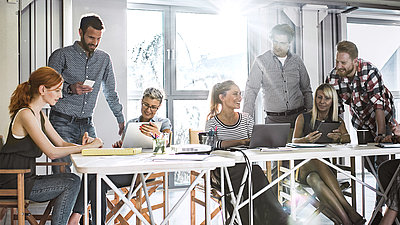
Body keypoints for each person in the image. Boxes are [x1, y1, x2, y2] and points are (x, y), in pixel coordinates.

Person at [0, 67, 103, 225]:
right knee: (72, 182)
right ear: (42, 89)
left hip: (27, 179)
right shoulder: (25, 114)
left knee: (77, 180)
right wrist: (87, 148)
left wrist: (83, 145)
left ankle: (69, 221)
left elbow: (60, 143)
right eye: (57, 91)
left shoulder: (39, 114)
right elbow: (52, 153)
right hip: (16, 182)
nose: (61, 95)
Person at [68, 87, 171, 225]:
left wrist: (158, 135)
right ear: (141, 102)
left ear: (159, 107)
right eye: (146, 105)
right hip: (127, 169)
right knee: (92, 175)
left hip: (145, 173)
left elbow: (166, 146)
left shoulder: (163, 123)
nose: (148, 110)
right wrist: (120, 147)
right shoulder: (131, 124)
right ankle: (85, 219)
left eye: (153, 107)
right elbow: (125, 152)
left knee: (98, 180)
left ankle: (80, 218)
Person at [48, 14, 125, 173]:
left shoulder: (104, 59)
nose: (95, 43)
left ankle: (88, 199)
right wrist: (70, 88)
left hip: (86, 123)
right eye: (91, 37)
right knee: (63, 174)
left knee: (96, 171)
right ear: (80, 32)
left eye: (98, 39)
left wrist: (120, 120)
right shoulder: (61, 55)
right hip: (61, 122)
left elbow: (110, 92)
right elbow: (47, 88)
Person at [206, 80, 290, 225]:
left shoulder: (245, 119)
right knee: (255, 174)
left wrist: (266, 140)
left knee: (252, 178)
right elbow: (211, 145)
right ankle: (280, 219)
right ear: (222, 97)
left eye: (240, 94)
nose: (240, 98)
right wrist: (241, 141)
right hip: (224, 171)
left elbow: (255, 139)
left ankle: (246, 220)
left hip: (246, 167)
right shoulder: (212, 122)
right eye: (235, 94)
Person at [292, 83, 365, 225]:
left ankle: (343, 220)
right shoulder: (303, 118)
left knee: (314, 180)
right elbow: (293, 140)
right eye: (319, 97)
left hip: (325, 171)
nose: (322, 102)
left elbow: (347, 138)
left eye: (327, 98)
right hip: (302, 167)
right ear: (315, 99)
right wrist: (305, 140)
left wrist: (339, 138)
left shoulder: (337, 121)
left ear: (333, 101)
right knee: (315, 158)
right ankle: (349, 210)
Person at [243, 23, 313, 128]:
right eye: (275, 42)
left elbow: (306, 89)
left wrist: (310, 113)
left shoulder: (297, 61)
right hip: (274, 120)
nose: (277, 46)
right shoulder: (261, 61)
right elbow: (251, 90)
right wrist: (246, 118)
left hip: (298, 117)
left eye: (282, 43)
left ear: (289, 43)